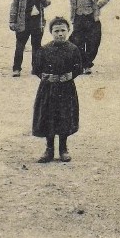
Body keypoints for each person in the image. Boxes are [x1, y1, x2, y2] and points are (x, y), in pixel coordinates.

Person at [32, 17, 84, 163]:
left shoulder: (73, 49)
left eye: (63, 30)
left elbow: (78, 68)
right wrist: (46, 76)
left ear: (68, 31)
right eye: (56, 31)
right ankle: (49, 149)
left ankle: (63, 148)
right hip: (48, 90)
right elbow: (36, 69)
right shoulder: (44, 50)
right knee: (49, 117)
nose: (60, 34)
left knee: (64, 117)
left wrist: (70, 76)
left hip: (66, 90)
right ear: (51, 32)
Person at [69, 0, 113, 74]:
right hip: (79, 18)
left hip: (92, 18)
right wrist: (72, 18)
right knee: (77, 42)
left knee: (93, 42)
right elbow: (72, 5)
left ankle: (88, 64)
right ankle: (83, 65)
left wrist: (98, 5)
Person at [9, 0, 51, 77]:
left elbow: (47, 2)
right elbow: (14, 6)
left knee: (36, 46)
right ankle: (16, 69)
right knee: (20, 46)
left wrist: (43, 0)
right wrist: (12, 21)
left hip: (37, 21)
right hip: (23, 21)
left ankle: (36, 68)